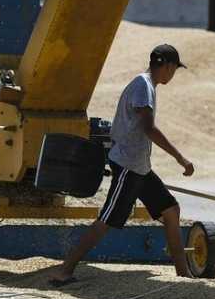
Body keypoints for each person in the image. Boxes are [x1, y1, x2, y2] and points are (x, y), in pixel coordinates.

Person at [49, 44, 196, 285]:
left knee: (171, 211)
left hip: (140, 167)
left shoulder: (147, 86)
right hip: (128, 166)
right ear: (168, 66)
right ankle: (64, 270)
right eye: (174, 69)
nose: (173, 74)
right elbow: (149, 128)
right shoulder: (142, 86)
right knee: (106, 220)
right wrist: (180, 158)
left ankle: (183, 275)